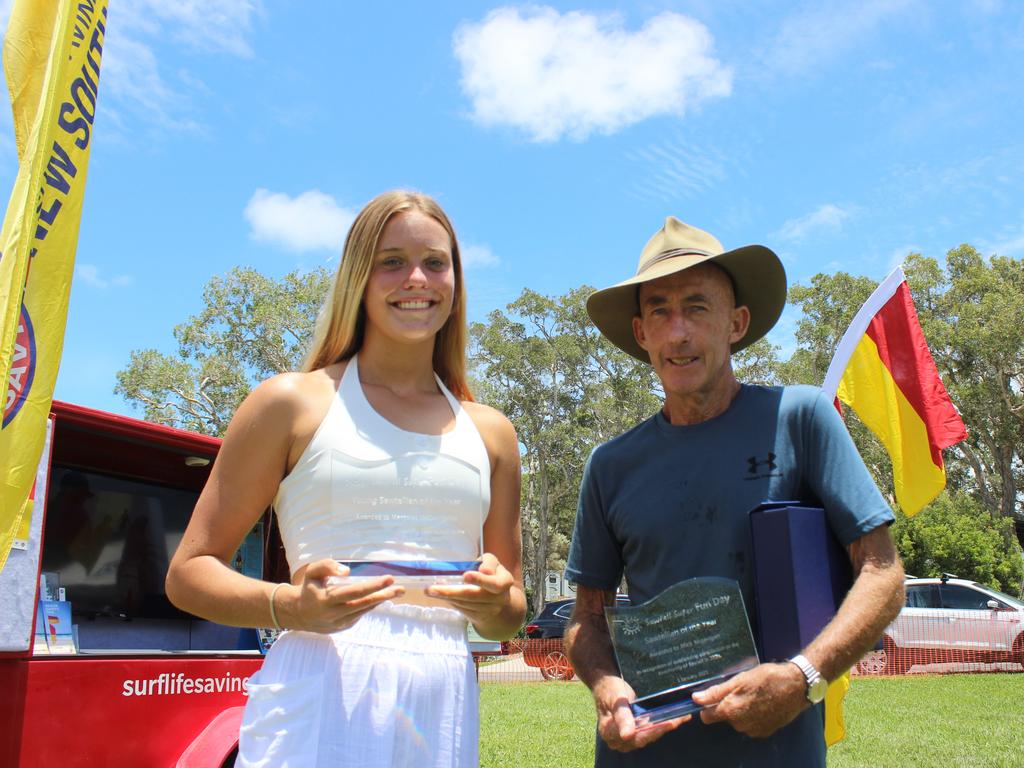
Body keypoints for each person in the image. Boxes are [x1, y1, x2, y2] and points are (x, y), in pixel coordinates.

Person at [166, 190, 526, 768]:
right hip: (318, 692)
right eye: (391, 261)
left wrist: (492, 603)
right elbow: (188, 574)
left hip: (443, 702)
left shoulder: (491, 434)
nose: (416, 278)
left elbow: (509, 608)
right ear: (359, 275)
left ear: (456, 280)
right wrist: (290, 606)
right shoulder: (291, 403)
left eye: (435, 262)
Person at [563, 217, 905, 767]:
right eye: (660, 311)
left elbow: (883, 572)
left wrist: (803, 677)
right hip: (647, 750)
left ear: (736, 323)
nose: (679, 332)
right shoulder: (611, 464)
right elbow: (586, 619)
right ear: (641, 333)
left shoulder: (799, 420)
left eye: (697, 307)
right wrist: (606, 687)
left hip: (775, 749)